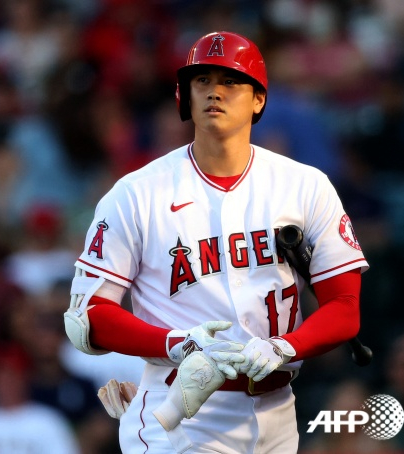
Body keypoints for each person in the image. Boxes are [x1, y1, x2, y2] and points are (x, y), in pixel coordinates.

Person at [64, 31, 369, 453]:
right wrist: (179, 343)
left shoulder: (304, 186)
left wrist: (286, 346)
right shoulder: (136, 193)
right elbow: (86, 318)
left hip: (278, 410)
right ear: (185, 97)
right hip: (179, 410)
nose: (214, 92)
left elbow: (345, 309)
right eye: (202, 80)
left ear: (258, 100)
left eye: (230, 81)